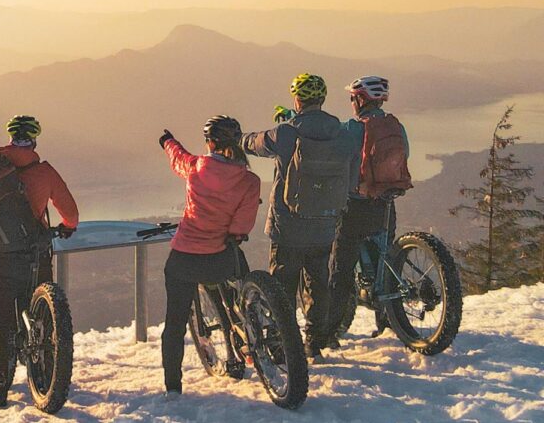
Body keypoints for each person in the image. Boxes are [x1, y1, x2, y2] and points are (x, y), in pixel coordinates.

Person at [0, 115, 79, 408]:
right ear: (34, 140)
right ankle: (48, 374)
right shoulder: (44, 172)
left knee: (2, 318)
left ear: (9, 138)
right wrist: (67, 227)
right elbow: (70, 212)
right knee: (45, 313)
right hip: (36, 256)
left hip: (4, 258)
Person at [240, 73, 358, 359]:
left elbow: (256, 143)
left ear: (297, 99)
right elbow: (351, 175)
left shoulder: (287, 133)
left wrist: (239, 139)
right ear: (322, 98)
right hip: (325, 223)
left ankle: (281, 346)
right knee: (318, 283)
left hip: (288, 225)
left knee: (281, 288)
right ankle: (315, 341)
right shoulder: (342, 134)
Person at [159, 116, 261, 398]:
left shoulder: (196, 168)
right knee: (238, 296)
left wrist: (167, 142)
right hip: (220, 259)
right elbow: (241, 227)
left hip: (184, 259)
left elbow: (178, 158)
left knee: (175, 324)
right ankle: (248, 340)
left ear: (211, 143)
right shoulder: (249, 181)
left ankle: (173, 386)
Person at [327, 77, 411, 348]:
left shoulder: (351, 128)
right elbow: (405, 154)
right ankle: (387, 322)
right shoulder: (395, 126)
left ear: (361, 99)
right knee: (384, 262)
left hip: (356, 204)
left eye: (353, 97)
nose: (352, 102)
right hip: (386, 203)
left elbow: (333, 157)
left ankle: (328, 333)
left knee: (340, 271)